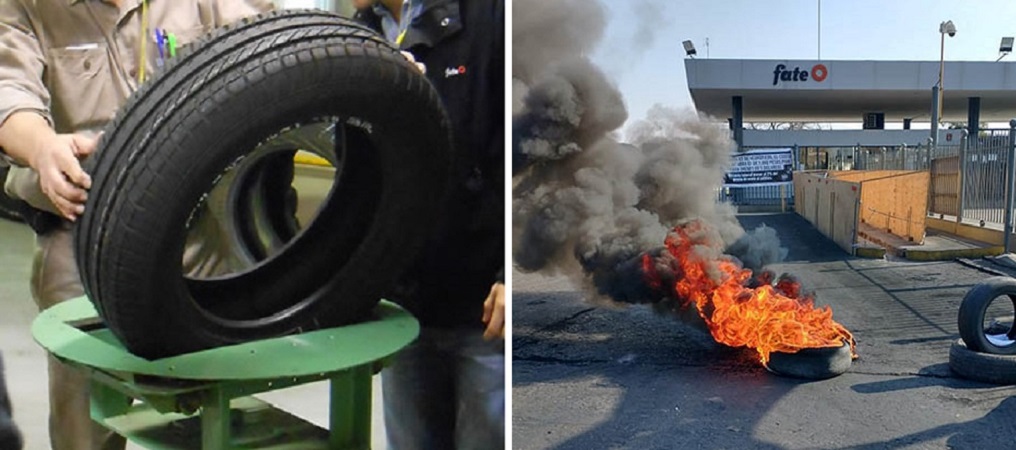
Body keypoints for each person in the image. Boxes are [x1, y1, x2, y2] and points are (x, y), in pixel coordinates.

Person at [0, 1, 273, 448]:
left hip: (196, 229)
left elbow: (273, 41)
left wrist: (358, 59)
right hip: (84, 237)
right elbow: (8, 89)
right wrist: (43, 147)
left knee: (223, 404)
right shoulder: (27, 6)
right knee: (85, 418)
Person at [352, 1, 506, 449]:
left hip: (481, 313)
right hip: (402, 310)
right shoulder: (359, 33)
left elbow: (525, 158)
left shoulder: (488, 18)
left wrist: (507, 276)